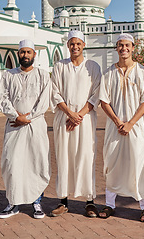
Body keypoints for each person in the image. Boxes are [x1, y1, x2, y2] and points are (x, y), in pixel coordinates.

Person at [98, 33, 144, 222]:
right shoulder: (108, 73)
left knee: (140, 163)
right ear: (116, 48)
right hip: (114, 128)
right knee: (112, 163)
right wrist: (117, 122)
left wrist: (130, 123)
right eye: (120, 45)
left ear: (133, 47)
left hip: (136, 128)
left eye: (127, 45)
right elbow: (104, 101)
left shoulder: (143, 72)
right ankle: (109, 204)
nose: (124, 49)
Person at [0, 39, 51, 219]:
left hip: (35, 126)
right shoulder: (8, 75)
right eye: (22, 52)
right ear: (18, 54)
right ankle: (13, 204)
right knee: (12, 163)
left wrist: (26, 118)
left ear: (34, 54)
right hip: (14, 127)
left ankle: (37, 203)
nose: (25, 55)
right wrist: (15, 116)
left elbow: (44, 102)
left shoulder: (43, 75)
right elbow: (2, 98)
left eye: (29, 52)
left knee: (36, 163)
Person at [50, 31, 101, 218]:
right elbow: (54, 92)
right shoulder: (60, 66)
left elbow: (97, 94)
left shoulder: (93, 66)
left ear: (84, 45)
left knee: (86, 157)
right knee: (64, 157)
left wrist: (78, 115)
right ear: (68, 45)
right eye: (72, 44)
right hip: (64, 119)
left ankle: (89, 202)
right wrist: (70, 113)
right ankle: (63, 201)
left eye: (79, 43)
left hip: (85, 120)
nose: (75, 47)